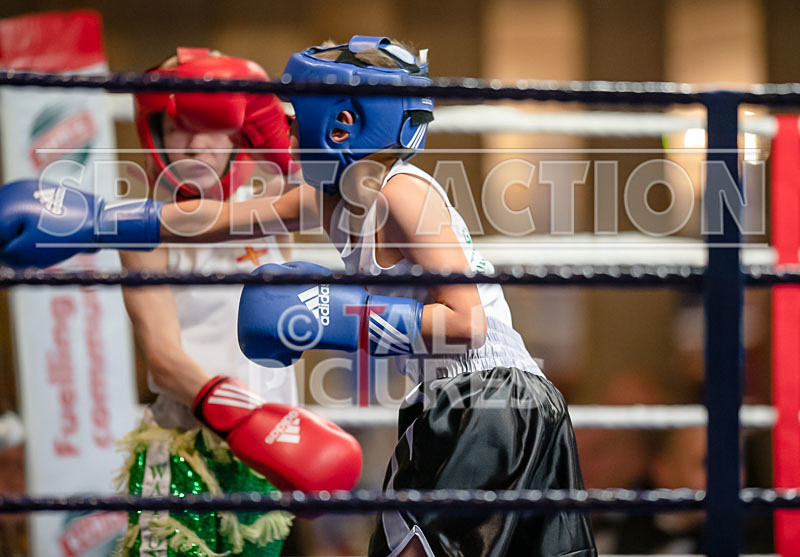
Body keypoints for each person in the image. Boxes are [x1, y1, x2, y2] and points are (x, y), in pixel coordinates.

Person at [0, 36, 594, 556]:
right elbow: (220, 217)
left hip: (494, 396)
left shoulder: (405, 191)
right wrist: (102, 221)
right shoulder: (327, 197)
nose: (280, 123)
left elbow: (470, 325)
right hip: (447, 398)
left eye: (292, 112)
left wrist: (341, 318)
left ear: (340, 123)